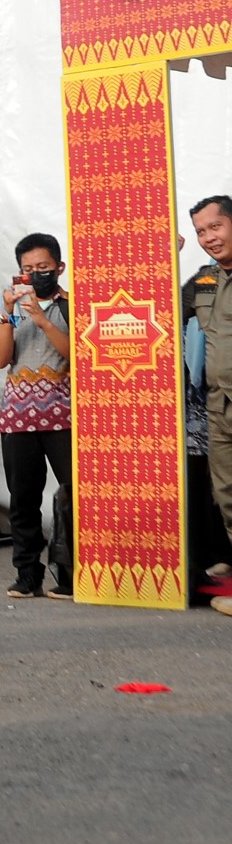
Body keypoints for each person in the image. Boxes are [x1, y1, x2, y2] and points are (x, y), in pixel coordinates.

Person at [0, 233, 73, 600]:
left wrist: (42, 320)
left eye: (43, 267)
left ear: (59, 267)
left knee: (73, 495)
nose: (36, 274)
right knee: (23, 498)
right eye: (27, 269)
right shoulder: (12, 308)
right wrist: (9, 314)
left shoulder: (72, 306)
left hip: (64, 416)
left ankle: (70, 573)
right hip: (18, 418)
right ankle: (27, 573)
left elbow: (77, 354)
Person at [186, 195, 232, 616]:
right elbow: (160, 307)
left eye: (215, 227)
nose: (208, 238)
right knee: (226, 493)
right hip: (219, 405)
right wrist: (163, 258)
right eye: (201, 232)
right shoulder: (204, 281)